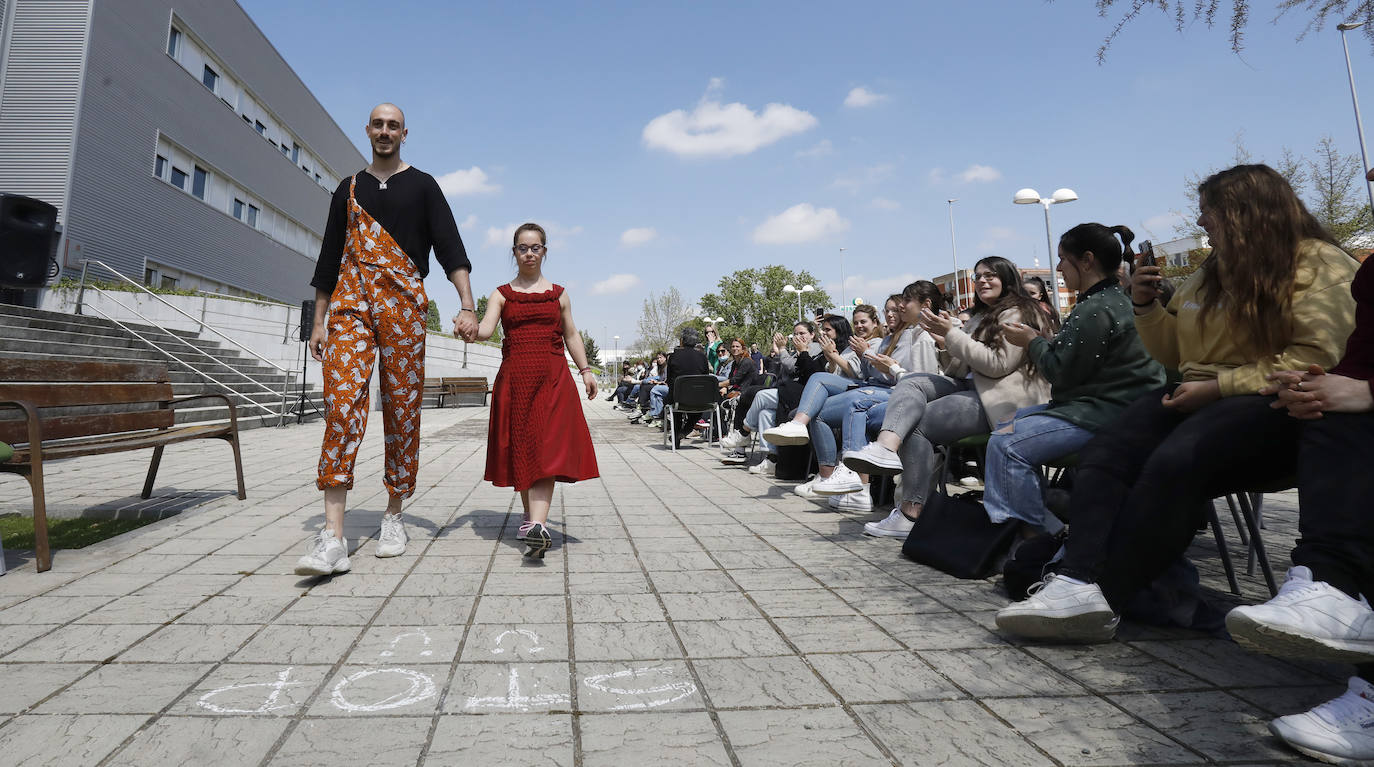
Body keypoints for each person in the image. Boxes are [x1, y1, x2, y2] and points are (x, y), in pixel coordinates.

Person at [995, 164, 1359, 642]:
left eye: (1210, 213)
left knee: (1172, 460)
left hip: (1270, 403)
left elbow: (1315, 358)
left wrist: (1218, 388)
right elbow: (1176, 355)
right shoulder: (1210, 274)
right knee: (1105, 456)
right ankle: (1076, 581)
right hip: (1198, 396)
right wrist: (1146, 307)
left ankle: (1110, 593)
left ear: (1248, 212)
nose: (1202, 224)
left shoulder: (1319, 264)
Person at [297, 103, 475, 576]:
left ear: (404, 133)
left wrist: (466, 304)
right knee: (341, 404)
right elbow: (328, 257)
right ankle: (333, 535)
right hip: (351, 305)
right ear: (368, 130)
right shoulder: (348, 189)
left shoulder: (424, 186)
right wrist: (319, 322)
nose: (384, 131)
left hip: (404, 306)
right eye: (377, 124)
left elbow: (450, 247)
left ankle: (394, 513)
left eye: (392, 125)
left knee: (401, 406)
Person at [1223, 253, 1374, 764]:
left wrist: (1367, 391)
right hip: (1210, 394)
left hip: (1219, 393)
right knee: (1330, 417)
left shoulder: (1315, 263)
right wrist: (1318, 385)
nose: (1372, 173)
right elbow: (1358, 363)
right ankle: (1329, 584)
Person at [842, 257, 1051, 536]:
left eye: (990, 275)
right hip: (970, 387)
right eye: (978, 276)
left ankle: (910, 513)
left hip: (1001, 400)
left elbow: (997, 365)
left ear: (1007, 278)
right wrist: (945, 341)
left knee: (918, 423)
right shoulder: (980, 315)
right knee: (913, 381)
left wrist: (952, 334)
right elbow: (959, 365)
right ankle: (885, 448)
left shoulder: (1020, 312)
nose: (982, 281)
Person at [982, 224, 1165, 536]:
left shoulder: (1095, 308)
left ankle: (1028, 536)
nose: (1058, 268)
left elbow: (1060, 372)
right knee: (1006, 423)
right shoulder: (1109, 300)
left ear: (1087, 260)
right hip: (1107, 407)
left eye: (1063, 259)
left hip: (1107, 414)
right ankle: (1043, 525)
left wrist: (1031, 341)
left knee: (1006, 443)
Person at [478, 223, 600, 559]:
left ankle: (538, 525)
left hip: (553, 378)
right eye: (522, 247)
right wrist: (469, 328)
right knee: (523, 447)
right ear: (514, 251)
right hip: (515, 380)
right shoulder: (501, 294)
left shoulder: (559, 294)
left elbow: (571, 335)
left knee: (544, 450)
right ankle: (532, 520)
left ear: (545, 251)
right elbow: (487, 329)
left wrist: (586, 371)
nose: (529, 253)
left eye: (535, 247)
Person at [665, 326, 712, 447]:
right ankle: (685, 431)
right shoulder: (702, 357)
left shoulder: (674, 356)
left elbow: (669, 379)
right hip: (699, 400)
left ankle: (676, 436)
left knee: (676, 408)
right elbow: (705, 377)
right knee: (697, 411)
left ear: (682, 340)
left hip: (679, 398)